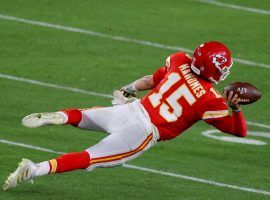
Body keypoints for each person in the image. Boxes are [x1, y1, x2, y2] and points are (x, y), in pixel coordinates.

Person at [3, 41, 247, 191]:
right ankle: (35, 169)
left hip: (131, 109)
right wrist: (235, 108)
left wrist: (127, 89)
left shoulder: (180, 61)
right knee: (91, 157)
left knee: (85, 117)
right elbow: (239, 131)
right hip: (143, 131)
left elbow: (149, 80)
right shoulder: (211, 99)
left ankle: (61, 116)